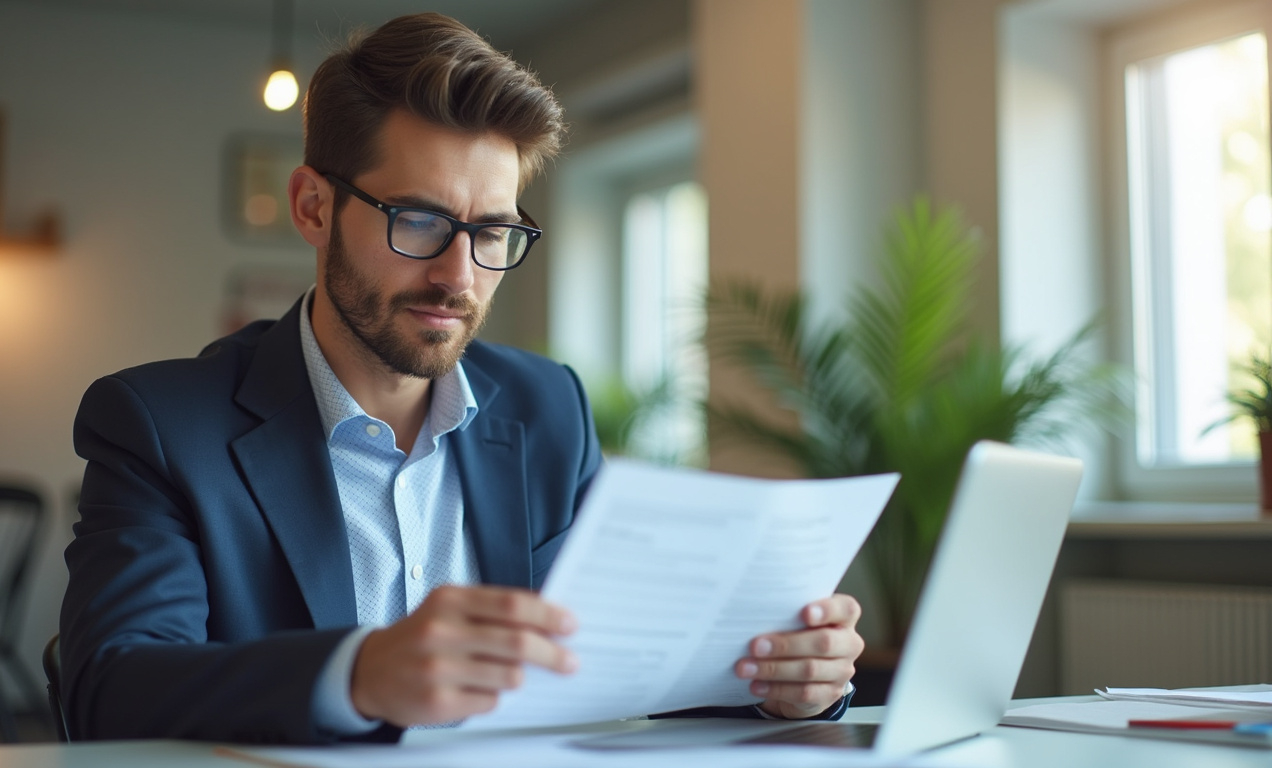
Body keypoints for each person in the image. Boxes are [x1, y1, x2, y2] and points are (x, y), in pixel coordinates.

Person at [60, 12, 863, 744]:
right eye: (419, 221)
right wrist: (361, 674)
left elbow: (625, 658)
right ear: (312, 207)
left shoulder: (549, 407)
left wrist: (781, 682)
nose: (461, 276)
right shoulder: (160, 425)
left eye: (494, 233)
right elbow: (111, 689)